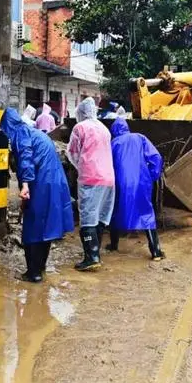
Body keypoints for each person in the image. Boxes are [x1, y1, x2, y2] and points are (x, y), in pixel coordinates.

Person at [0, 108, 74, 282]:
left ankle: (33, 273)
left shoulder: (21, 134)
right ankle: (40, 268)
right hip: (56, 182)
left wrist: (25, 185)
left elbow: (25, 159)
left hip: (42, 183)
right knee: (46, 227)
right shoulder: (34, 133)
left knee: (32, 228)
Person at [67, 98, 115, 271]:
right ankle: (96, 253)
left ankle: (91, 257)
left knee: (87, 216)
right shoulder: (105, 129)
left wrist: (80, 166)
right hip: (109, 178)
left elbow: (72, 153)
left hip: (90, 177)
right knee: (100, 216)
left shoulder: (80, 128)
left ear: (80, 112)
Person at [107, 118, 165, 260]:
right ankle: (156, 252)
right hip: (141, 181)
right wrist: (152, 175)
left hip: (119, 182)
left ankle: (114, 245)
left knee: (115, 211)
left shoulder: (113, 143)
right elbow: (156, 157)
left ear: (114, 131)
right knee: (146, 213)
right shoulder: (140, 138)